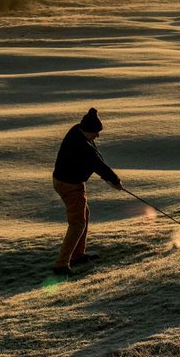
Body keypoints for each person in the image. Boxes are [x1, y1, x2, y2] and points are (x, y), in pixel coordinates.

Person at [51, 108, 122, 276]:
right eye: (95, 132)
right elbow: (98, 164)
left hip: (71, 182)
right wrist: (115, 181)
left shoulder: (78, 130)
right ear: (88, 130)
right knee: (77, 224)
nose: (97, 136)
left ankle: (77, 255)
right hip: (69, 185)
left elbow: (96, 156)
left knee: (84, 216)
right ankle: (61, 265)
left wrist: (112, 180)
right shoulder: (81, 146)